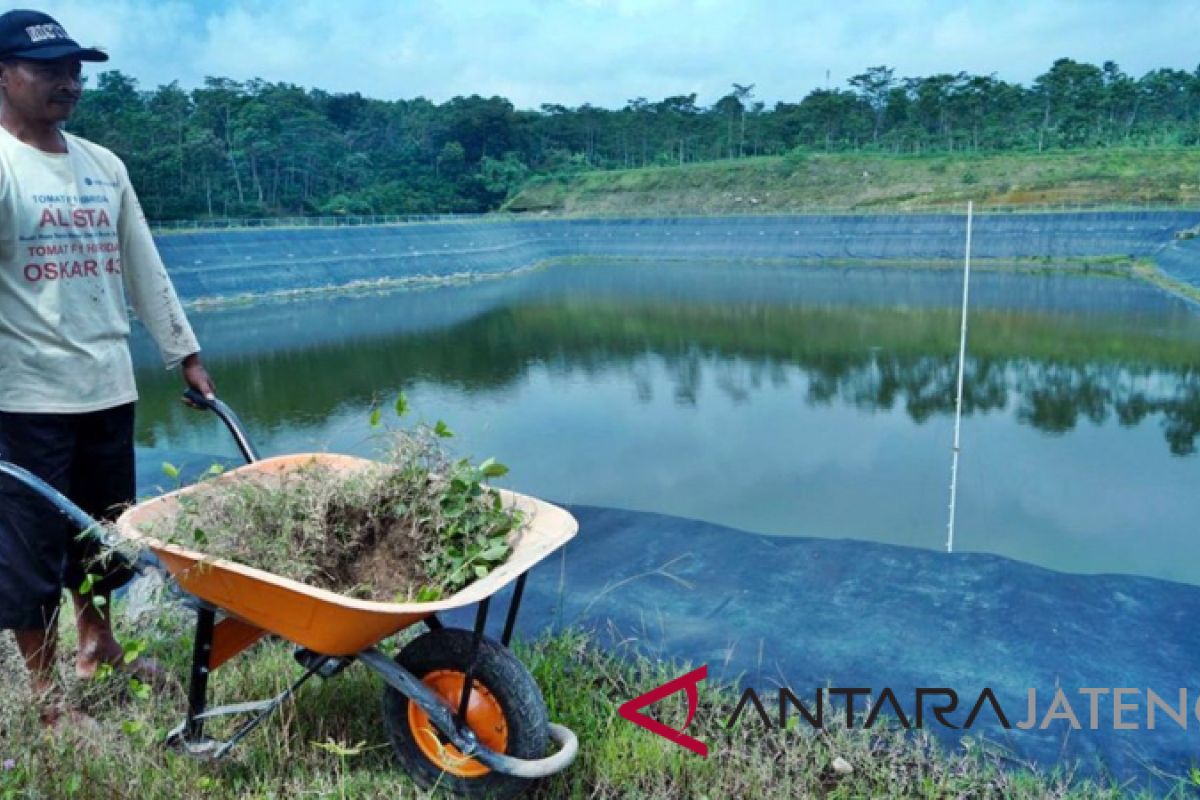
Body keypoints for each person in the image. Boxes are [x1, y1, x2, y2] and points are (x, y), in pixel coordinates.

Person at [0, 9, 215, 725]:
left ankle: (98, 645)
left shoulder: (104, 166)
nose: (69, 81)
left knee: (102, 537)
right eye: (49, 68)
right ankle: (47, 694)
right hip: (25, 400)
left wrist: (183, 353)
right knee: (30, 553)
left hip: (107, 387)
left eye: (75, 68)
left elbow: (142, 265)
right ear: (3, 74)